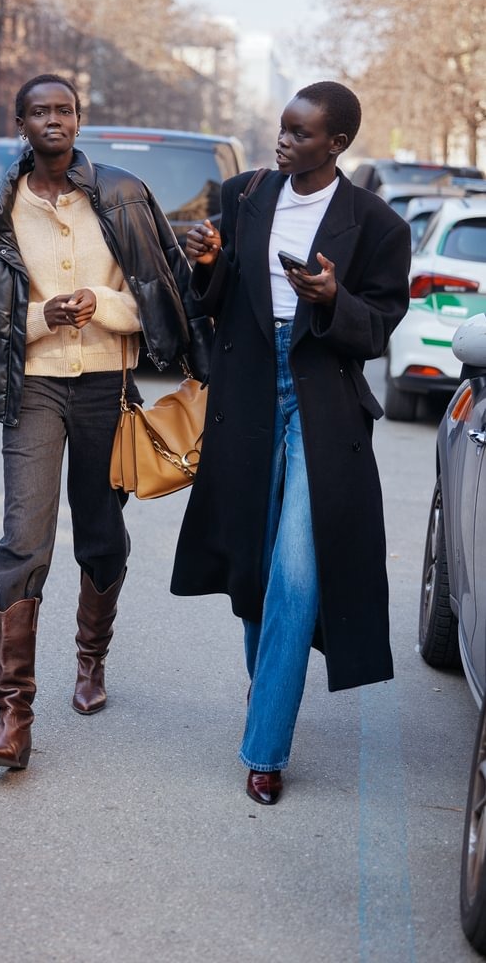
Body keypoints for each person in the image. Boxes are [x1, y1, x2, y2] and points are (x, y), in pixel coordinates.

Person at [0, 73, 211, 771]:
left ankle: (90, 658)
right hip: (31, 390)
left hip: (104, 387)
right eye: (39, 112)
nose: (52, 120)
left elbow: (162, 286)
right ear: (22, 124)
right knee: (23, 543)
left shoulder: (122, 195)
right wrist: (42, 317)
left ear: (78, 118)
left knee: (99, 534)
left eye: (62, 109)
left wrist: (102, 305)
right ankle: (14, 714)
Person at [170, 81, 411, 805]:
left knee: (298, 573)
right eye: (281, 128)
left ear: (334, 143)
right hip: (245, 395)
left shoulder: (375, 224)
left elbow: (376, 330)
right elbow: (210, 303)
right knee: (252, 567)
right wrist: (208, 261)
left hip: (321, 402)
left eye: (300, 134)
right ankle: (268, 694)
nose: (283, 141)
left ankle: (264, 747)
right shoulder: (244, 195)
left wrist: (334, 300)